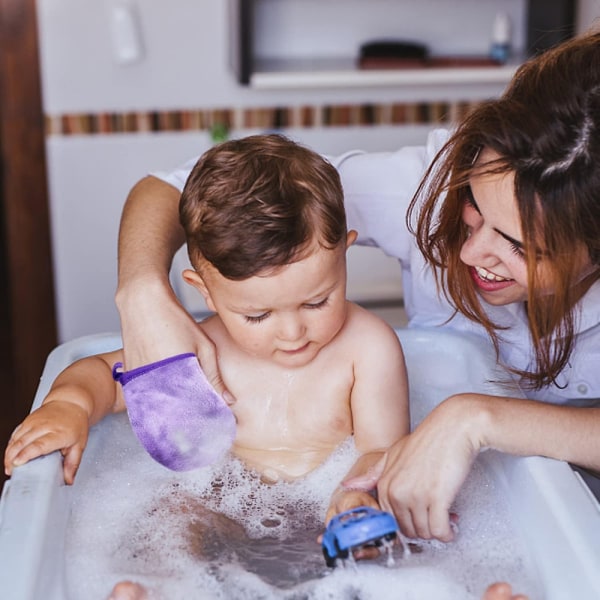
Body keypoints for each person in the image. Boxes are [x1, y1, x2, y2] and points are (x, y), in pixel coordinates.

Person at [111, 30, 600, 544]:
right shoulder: (426, 186)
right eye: (474, 207)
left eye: (522, 248)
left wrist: (477, 419)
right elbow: (169, 188)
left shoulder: (366, 349)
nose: (471, 253)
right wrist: (141, 293)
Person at [4, 132, 409, 523]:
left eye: (316, 301)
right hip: (221, 510)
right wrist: (70, 406)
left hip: (325, 510)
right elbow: (104, 377)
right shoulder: (201, 350)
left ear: (345, 252)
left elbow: (381, 451)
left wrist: (356, 495)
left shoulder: (368, 349)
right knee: (171, 516)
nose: (292, 332)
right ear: (207, 293)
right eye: (257, 315)